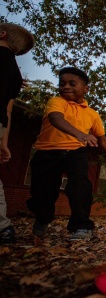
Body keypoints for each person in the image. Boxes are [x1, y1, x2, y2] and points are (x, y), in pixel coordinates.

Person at [26, 67, 106, 241]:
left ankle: (81, 226)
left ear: (85, 88)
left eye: (72, 83)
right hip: (47, 153)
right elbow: (55, 119)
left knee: (81, 187)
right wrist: (80, 134)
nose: (66, 87)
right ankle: (42, 219)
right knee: (43, 193)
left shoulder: (92, 114)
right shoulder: (57, 102)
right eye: (62, 84)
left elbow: (102, 140)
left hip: (75, 152)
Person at [0, 23, 35, 244]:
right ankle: (3, 228)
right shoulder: (14, 74)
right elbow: (8, 110)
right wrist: (4, 140)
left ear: (2, 34)